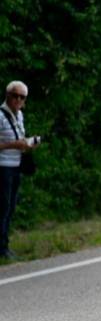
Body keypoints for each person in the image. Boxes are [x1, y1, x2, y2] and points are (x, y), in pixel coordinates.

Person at [0, 81, 39, 260]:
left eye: (22, 97)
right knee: (3, 207)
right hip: (3, 167)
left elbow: (19, 138)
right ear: (7, 95)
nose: (18, 100)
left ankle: (4, 245)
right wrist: (13, 145)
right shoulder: (0, 115)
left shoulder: (20, 116)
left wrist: (28, 143)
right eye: (15, 95)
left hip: (16, 166)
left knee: (10, 207)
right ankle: (2, 248)